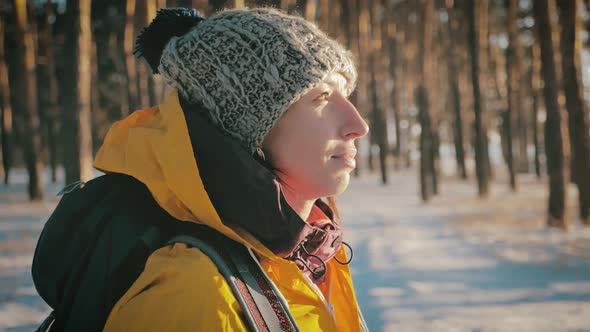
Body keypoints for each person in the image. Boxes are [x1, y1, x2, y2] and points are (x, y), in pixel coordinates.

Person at [96, 6, 369, 331]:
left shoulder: (309, 248)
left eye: (345, 94)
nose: (359, 125)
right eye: (322, 96)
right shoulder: (194, 297)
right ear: (247, 130)